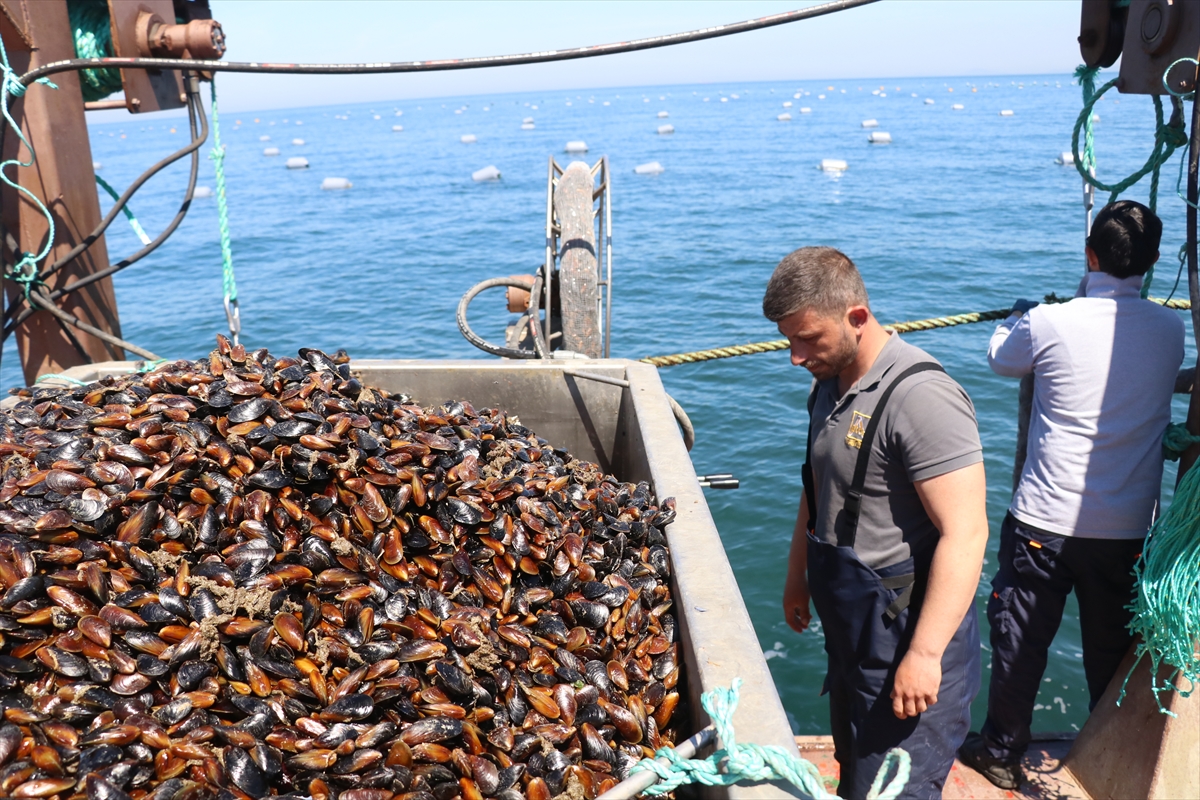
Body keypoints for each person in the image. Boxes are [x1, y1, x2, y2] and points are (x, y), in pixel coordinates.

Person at [958, 200, 1185, 790]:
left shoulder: (1049, 322)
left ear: (1089, 255)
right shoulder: (1171, 330)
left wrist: (1019, 315)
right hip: (1127, 528)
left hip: (1044, 522)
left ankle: (1001, 752)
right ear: (1154, 262)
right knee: (1111, 653)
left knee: (1021, 638)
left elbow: (1000, 358)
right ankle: (1111, 758)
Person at [764, 246, 989, 799]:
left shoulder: (922, 398)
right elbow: (817, 490)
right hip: (851, 634)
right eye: (788, 340)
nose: (795, 356)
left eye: (807, 338)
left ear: (857, 317)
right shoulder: (828, 383)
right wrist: (797, 576)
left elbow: (967, 533)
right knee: (855, 775)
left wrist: (925, 655)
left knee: (893, 791)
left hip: (907, 635)